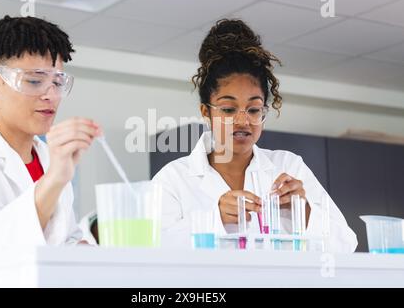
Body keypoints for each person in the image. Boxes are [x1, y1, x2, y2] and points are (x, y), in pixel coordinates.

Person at [153, 19, 357, 252]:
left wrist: (305, 210)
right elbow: (148, 250)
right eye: (229, 109)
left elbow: (345, 245)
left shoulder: (288, 166)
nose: (243, 121)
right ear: (205, 112)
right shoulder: (174, 179)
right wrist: (214, 219)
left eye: (253, 109)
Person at [0, 15, 102, 256]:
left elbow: (65, 239)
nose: (50, 95)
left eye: (57, 82)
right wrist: (54, 179)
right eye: (34, 81)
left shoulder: (49, 158)